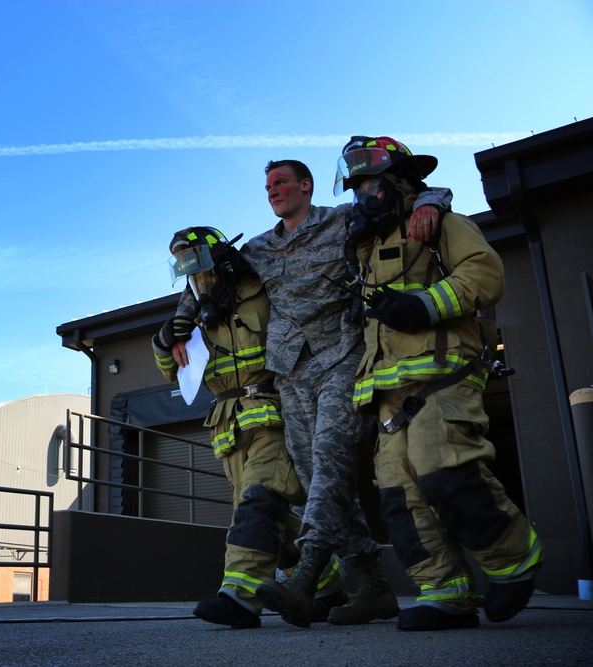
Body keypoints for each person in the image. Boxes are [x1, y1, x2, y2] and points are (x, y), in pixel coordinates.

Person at [170, 160, 451, 628]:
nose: (272, 191)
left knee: (330, 460)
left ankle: (305, 577)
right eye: (266, 186)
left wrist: (428, 204)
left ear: (305, 185)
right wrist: (176, 328)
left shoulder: (341, 219)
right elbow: (206, 278)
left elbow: (415, 195)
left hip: (341, 358)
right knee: (321, 481)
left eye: (280, 182)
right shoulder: (258, 248)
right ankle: (376, 587)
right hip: (290, 372)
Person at [334, 135, 544, 630]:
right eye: (357, 183)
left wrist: (424, 305)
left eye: (370, 180)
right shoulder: (362, 250)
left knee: (443, 468)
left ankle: (513, 561)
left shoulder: (440, 224)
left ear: (398, 179)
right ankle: (444, 592)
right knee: (398, 494)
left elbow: (485, 274)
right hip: (388, 397)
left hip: (443, 377)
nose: (363, 191)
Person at [152, 226, 321, 628]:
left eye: (201, 266)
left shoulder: (261, 287)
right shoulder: (188, 311)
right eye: (188, 270)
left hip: (272, 413)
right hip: (228, 428)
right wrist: (162, 343)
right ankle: (325, 582)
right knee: (265, 515)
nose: (198, 278)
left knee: (259, 501)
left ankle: (240, 599)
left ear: (219, 260)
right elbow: (176, 373)